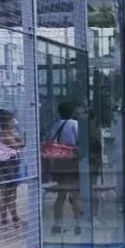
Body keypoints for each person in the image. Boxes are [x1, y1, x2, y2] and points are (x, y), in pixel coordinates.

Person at [45, 101, 82, 236]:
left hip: (59, 162)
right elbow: (80, 141)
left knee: (61, 195)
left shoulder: (56, 125)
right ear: (72, 112)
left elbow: (51, 141)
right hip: (72, 162)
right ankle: (78, 224)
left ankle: (57, 224)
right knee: (75, 195)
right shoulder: (75, 124)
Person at [0, 109, 24, 228]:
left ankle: (14, 216)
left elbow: (18, 141)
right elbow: (17, 145)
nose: (14, 123)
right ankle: (4, 219)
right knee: (5, 194)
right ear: (7, 122)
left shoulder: (9, 133)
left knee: (12, 194)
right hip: (5, 169)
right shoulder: (3, 134)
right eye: (12, 120)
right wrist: (20, 142)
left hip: (13, 168)